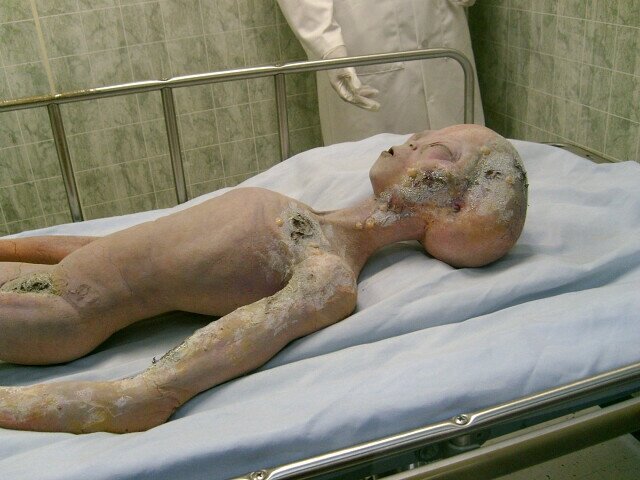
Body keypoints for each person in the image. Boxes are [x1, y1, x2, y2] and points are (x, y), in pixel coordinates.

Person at [0, 125, 527, 434]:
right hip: (38, 282)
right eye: (425, 135)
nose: (412, 140)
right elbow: (113, 249)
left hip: (55, 314)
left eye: (438, 151)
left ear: (456, 209)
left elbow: (148, 397)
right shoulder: (305, 218)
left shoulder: (328, 274)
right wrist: (13, 246)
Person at [276, 0, 484, 144]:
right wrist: (328, 47)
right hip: (362, 36)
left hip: (442, 29)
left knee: (462, 165)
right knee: (375, 173)